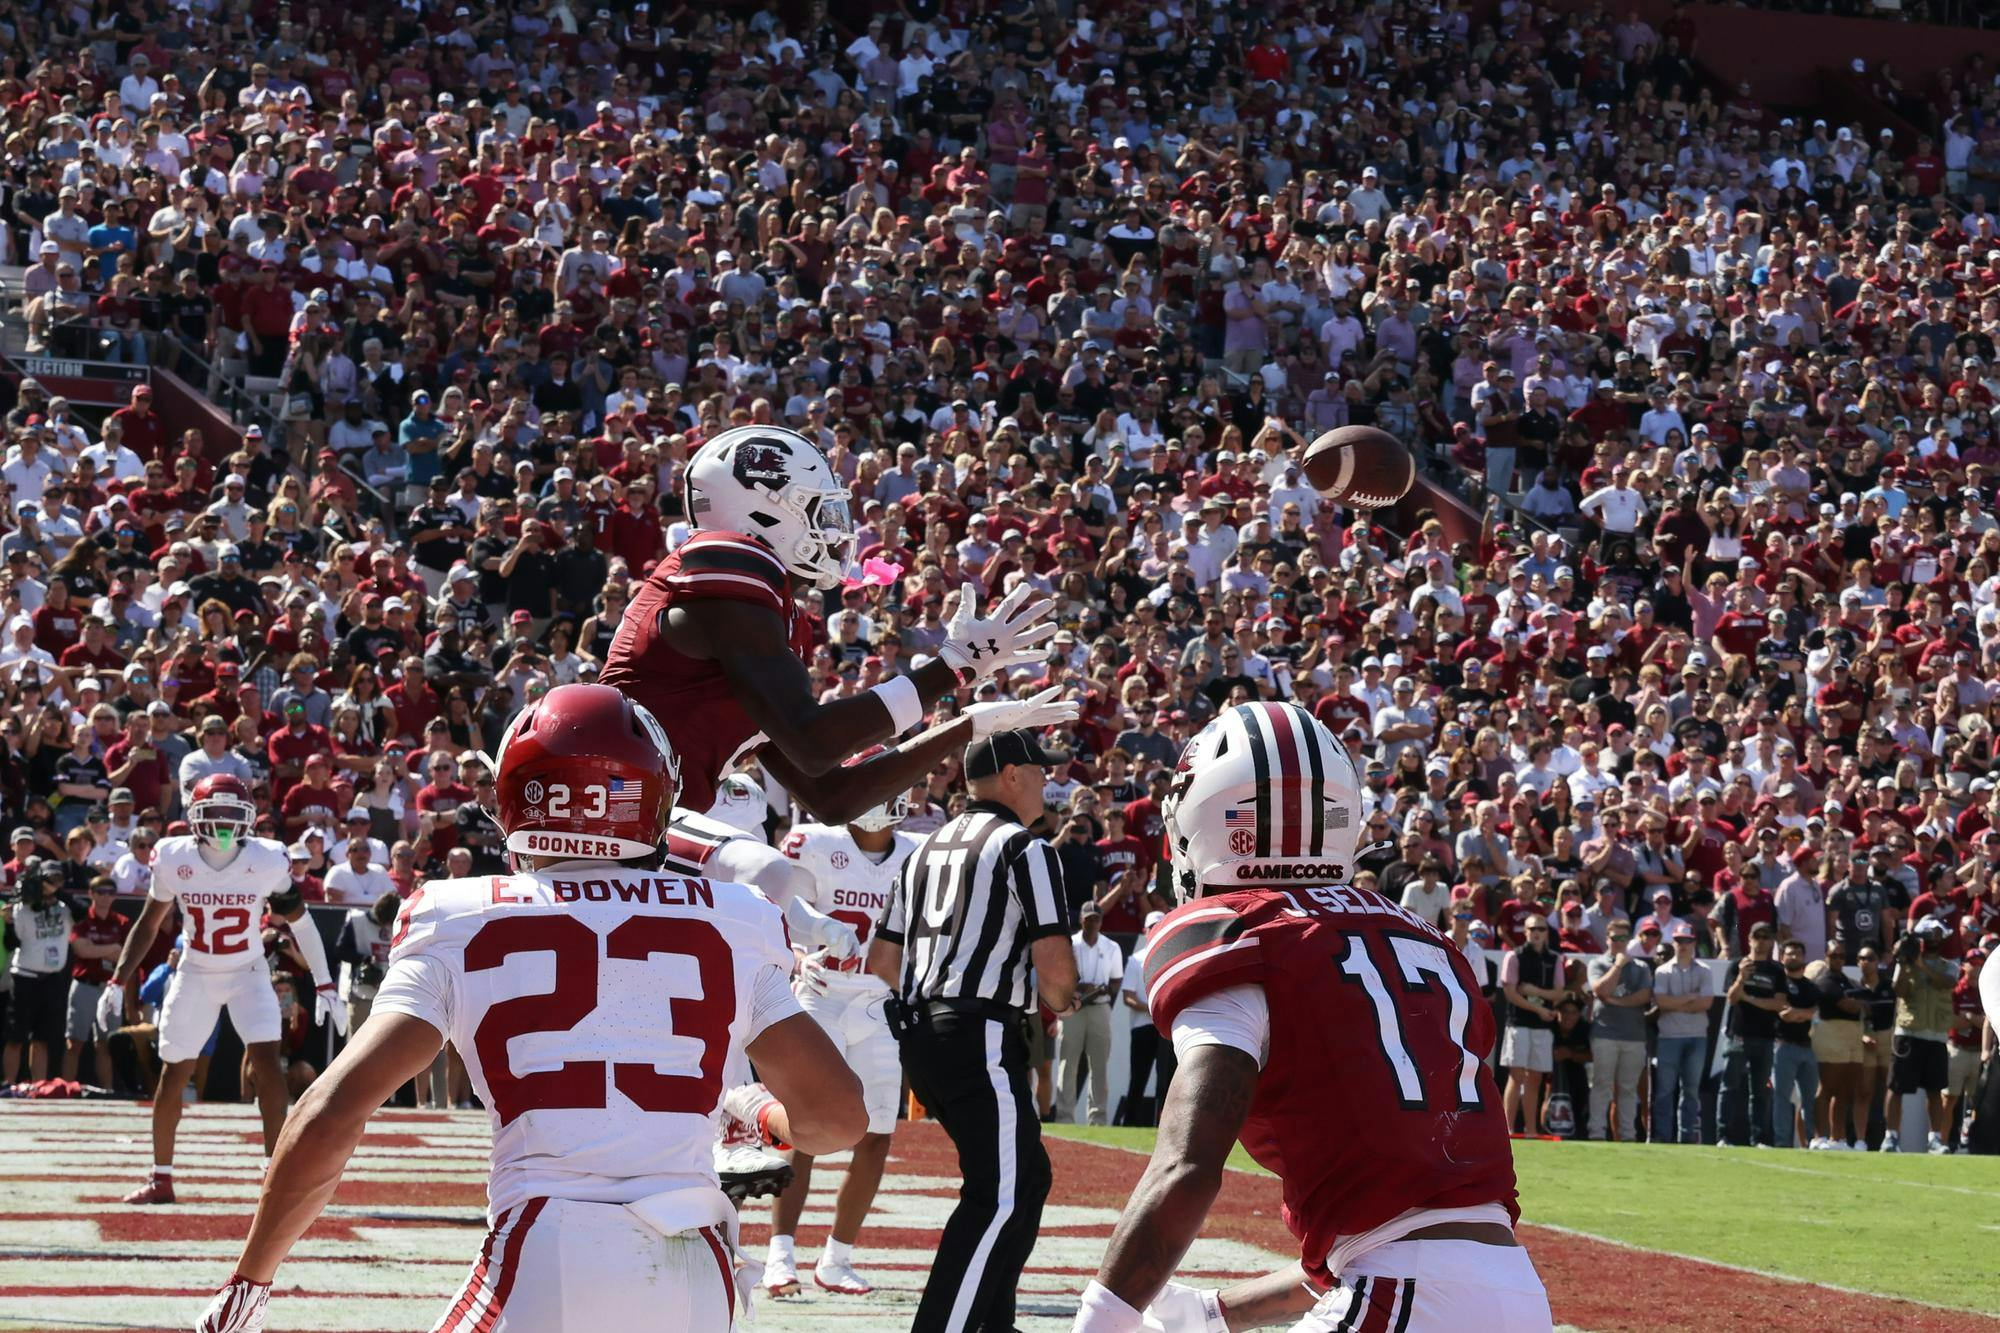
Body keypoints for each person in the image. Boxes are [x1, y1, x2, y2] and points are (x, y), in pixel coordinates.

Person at [193, 684, 865, 1333]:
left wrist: (249, 1279)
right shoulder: (740, 917)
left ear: (517, 798)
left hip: (546, 1248)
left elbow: (333, 1111)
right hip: (699, 1266)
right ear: (652, 796)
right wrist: (754, 1113)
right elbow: (838, 1119)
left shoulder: (456, 912)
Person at [1073, 702, 1548, 1333]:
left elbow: (1186, 1167)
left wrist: (1101, 1317)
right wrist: (1218, 1313)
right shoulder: (1425, 939)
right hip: (1511, 1289)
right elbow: (1401, 1226)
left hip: (1401, 1294)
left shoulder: (1242, 935)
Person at [598, 424, 1069, 822]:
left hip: (636, 820)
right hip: (604, 811)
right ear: (761, 506)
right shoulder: (729, 564)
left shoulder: (764, 612)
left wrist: (966, 725)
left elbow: (833, 797)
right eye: (815, 506)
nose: (832, 525)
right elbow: (815, 742)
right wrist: (952, 670)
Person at [867, 728, 1079, 1333]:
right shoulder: (1023, 848)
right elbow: (1057, 975)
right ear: (1012, 774)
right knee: (1000, 1193)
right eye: (1041, 771)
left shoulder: (924, 850)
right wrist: (1060, 1000)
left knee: (1025, 1177)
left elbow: (882, 964)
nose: (1049, 781)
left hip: (923, 1030)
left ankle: (993, 1322)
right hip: (979, 1030)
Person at [108, 775, 344, 1203]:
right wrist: (118, 977)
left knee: (269, 1066)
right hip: (195, 972)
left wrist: (325, 980)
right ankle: (161, 1178)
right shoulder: (174, 857)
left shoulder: (266, 859)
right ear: (193, 816)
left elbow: (301, 921)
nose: (221, 825)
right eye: (212, 814)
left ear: (248, 819)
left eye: (231, 815)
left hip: (248, 971)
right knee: (174, 1074)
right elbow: (149, 922)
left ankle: (277, 1173)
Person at [759, 773, 921, 1298]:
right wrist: (801, 954)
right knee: (804, 1127)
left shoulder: (918, 852)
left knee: (877, 1135)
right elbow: (784, 913)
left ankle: (837, 1258)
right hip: (821, 993)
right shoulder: (815, 842)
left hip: (878, 1003)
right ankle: (780, 1253)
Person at [1887, 916, 1958, 1154]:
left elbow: (1947, 982)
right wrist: (1904, 963)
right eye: (1929, 934)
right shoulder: (1905, 962)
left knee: (1935, 1090)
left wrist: (1921, 965)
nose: (1933, 939)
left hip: (1936, 1035)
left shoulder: (1949, 965)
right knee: (1897, 1087)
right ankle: (1891, 1137)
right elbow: (1899, 990)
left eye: (1938, 935)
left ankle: (1935, 1139)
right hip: (1908, 1032)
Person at [4, 860, 74, 1083]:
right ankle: (9, 1083)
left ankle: (39, 1085)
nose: (51, 884)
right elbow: (12, 942)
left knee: (42, 1038)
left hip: (52, 978)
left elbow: (82, 913)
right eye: (48, 880)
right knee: (16, 1036)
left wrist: (59, 893)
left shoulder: (64, 909)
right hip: (25, 977)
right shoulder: (23, 910)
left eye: (56, 880)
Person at [1720, 922, 1787, 1148]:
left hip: (1765, 1036)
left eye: (1766, 937)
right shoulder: (1736, 965)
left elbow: (1779, 1004)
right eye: (1757, 937)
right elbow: (1731, 997)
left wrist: (1751, 999)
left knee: (1760, 1091)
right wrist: (1741, 978)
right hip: (1738, 1034)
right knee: (1730, 1087)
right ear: (1749, 939)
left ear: (1771, 941)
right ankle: (1724, 1136)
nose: (1761, 942)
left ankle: (1759, 1138)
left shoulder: (1777, 970)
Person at [1057, 900, 1123, 1125]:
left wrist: (1102, 992)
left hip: (1100, 1008)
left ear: (1101, 921)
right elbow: (1061, 978)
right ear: (1081, 920)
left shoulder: (1111, 947)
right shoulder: (1069, 944)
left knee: (1099, 1066)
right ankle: (1064, 1117)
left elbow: (1116, 980)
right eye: (1089, 918)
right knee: (1068, 1064)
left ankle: (1098, 1120)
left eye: (1097, 918)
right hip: (1073, 1007)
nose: (1093, 922)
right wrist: (1080, 988)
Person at [1586, 920, 1652, 1141]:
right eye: (1615, 938)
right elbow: (1600, 990)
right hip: (1605, 1034)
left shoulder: (1641, 967)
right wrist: (1617, 966)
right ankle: (1596, 1133)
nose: (1619, 942)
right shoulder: (1597, 963)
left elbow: (1644, 997)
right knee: (1602, 1085)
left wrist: (1615, 1001)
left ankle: (1628, 1136)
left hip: (1634, 1036)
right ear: (1607, 938)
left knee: (1628, 1089)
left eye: (1624, 938)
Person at [1499, 914, 1565, 1133]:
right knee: (1516, 1076)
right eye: (1532, 928)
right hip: (1518, 1023)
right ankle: (1508, 1130)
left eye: (1541, 928)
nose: (1536, 932)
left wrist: (1534, 992)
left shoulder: (1555, 959)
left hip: (1542, 1026)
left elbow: (1557, 993)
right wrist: (1539, 1008)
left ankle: (1531, 1129)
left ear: (1547, 932)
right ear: (1525, 932)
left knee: (1535, 1078)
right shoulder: (1514, 957)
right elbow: (1511, 993)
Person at [1649, 924, 1714, 1144]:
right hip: (1669, 1036)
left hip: (1697, 1037)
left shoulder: (1704, 970)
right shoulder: (1662, 971)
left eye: (1687, 941)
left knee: (1691, 1091)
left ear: (1693, 943)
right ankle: (1663, 1137)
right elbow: (1661, 1002)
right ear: (1674, 943)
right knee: (1665, 1091)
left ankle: (1686, 1138)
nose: (1683, 945)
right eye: (1679, 941)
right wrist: (1689, 998)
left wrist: (1675, 1003)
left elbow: (1706, 1002)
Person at [1771, 938, 1823, 1150]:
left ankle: (1812, 1141)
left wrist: (1800, 1014)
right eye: (1790, 953)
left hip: (1806, 1047)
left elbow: (1814, 1013)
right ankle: (1782, 1142)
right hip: (1783, 1046)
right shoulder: (1778, 983)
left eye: (1798, 954)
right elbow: (1784, 1013)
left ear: (1804, 958)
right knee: (1782, 1097)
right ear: (1782, 957)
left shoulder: (1811, 987)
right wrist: (1804, 1014)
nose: (1794, 957)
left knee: (1810, 1099)